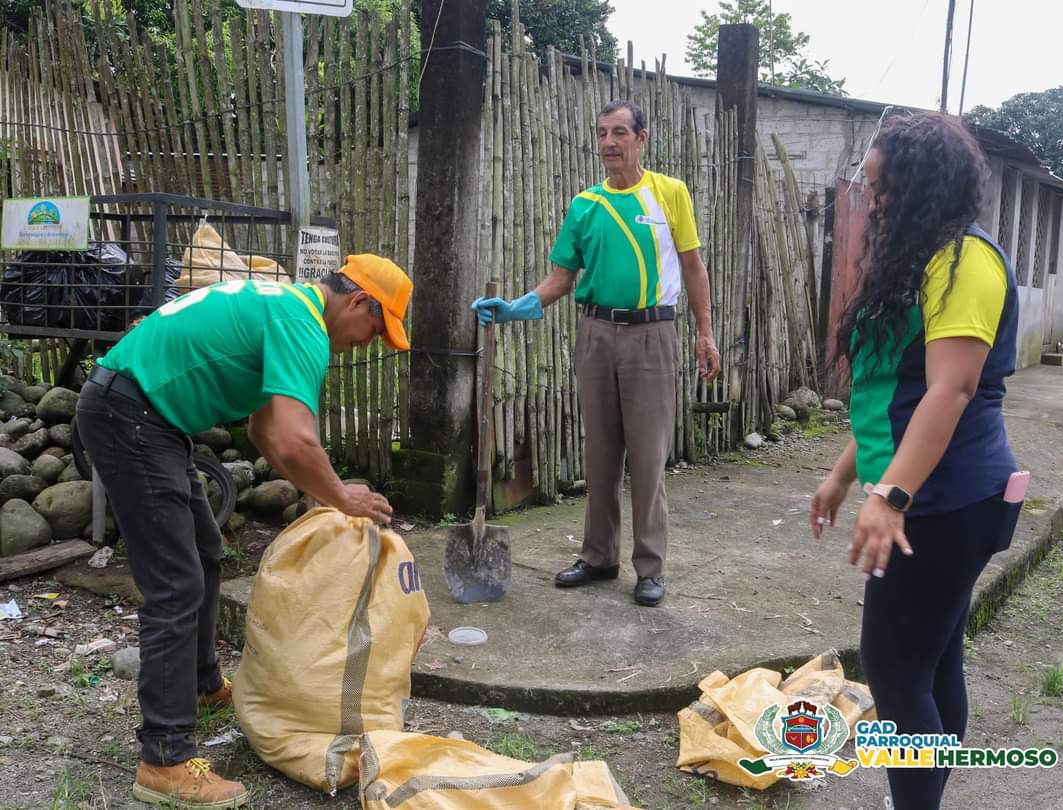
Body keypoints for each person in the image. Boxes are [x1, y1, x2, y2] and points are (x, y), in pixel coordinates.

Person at [75, 254, 412, 809]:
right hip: (132, 417)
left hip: (145, 416)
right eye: (374, 331)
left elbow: (265, 431)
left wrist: (324, 494)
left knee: (205, 552)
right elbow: (296, 441)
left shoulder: (287, 309)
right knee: (175, 584)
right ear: (358, 302)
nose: (363, 344)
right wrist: (341, 497)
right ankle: (164, 759)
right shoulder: (303, 325)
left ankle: (202, 685)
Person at [810, 112, 1020, 810]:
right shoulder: (921, 262)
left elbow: (950, 390)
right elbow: (891, 392)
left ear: (925, 185)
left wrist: (890, 495)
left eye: (885, 188)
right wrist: (844, 476)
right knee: (930, 665)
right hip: (934, 499)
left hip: (946, 502)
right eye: (871, 187)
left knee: (897, 674)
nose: (874, 202)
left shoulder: (966, 262)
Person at [472, 99, 720, 607]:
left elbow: (694, 267)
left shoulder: (669, 193)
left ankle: (650, 567)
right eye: (603, 132)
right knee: (601, 452)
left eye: (620, 132)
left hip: (652, 333)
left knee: (648, 456)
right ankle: (599, 556)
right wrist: (517, 307)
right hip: (596, 333)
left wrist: (705, 333)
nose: (609, 142)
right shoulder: (585, 204)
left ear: (642, 138)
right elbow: (562, 278)